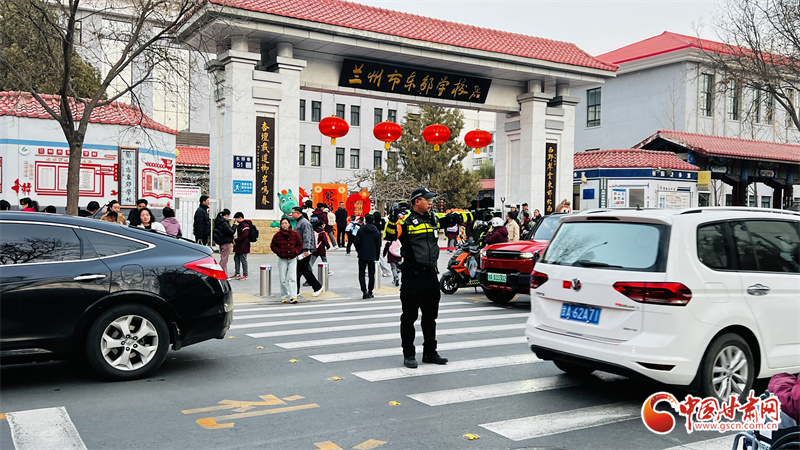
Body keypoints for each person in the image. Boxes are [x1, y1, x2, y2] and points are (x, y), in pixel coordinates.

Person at [385, 187, 464, 369]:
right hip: (412, 276)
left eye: (431, 200)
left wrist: (467, 216)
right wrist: (392, 219)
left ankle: (430, 352)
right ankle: (409, 354)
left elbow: (454, 218)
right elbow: (389, 235)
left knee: (430, 317)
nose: (430, 202)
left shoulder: (433, 218)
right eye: (427, 200)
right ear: (417, 201)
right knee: (409, 317)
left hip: (430, 275)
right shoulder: (405, 221)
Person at [290, 207, 324, 297]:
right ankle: (296, 290)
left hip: (304, 250)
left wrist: (306, 249)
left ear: (298, 213)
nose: (292, 214)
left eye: (293, 213)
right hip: (300, 249)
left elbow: (307, 237)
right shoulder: (299, 222)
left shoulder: (304, 223)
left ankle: (317, 287)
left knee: (305, 270)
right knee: (298, 271)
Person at [270, 217, 304, 303]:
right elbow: (273, 245)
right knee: (283, 279)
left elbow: (300, 244)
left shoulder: (295, 234)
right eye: (282, 223)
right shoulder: (277, 235)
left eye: (286, 223)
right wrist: (279, 252)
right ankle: (284, 296)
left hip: (292, 258)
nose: (284, 225)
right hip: (282, 259)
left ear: (289, 224)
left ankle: (293, 296)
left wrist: (296, 251)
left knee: (292, 278)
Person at [355, 214, 381, 299]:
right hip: (372, 255)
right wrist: (377, 256)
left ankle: (364, 291)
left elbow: (357, 242)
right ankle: (370, 291)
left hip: (362, 254)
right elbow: (378, 245)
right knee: (371, 274)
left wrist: (359, 250)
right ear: (373, 221)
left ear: (365, 220)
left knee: (361, 273)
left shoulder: (361, 230)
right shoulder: (376, 231)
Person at [212, 209, 235, 277]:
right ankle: (222, 274)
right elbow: (231, 232)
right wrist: (234, 225)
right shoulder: (224, 223)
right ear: (227, 215)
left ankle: (222, 273)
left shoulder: (218, 221)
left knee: (223, 258)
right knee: (224, 260)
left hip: (222, 242)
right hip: (226, 242)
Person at [232, 212, 252, 280]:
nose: (236, 220)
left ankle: (245, 274)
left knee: (243, 260)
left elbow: (245, 235)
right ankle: (237, 273)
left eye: (236, 219)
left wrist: (237, 240)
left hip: (243, 245)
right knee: (236, 258)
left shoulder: (245, 225)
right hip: (239, 245)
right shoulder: (240, 225)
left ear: (240, 218)